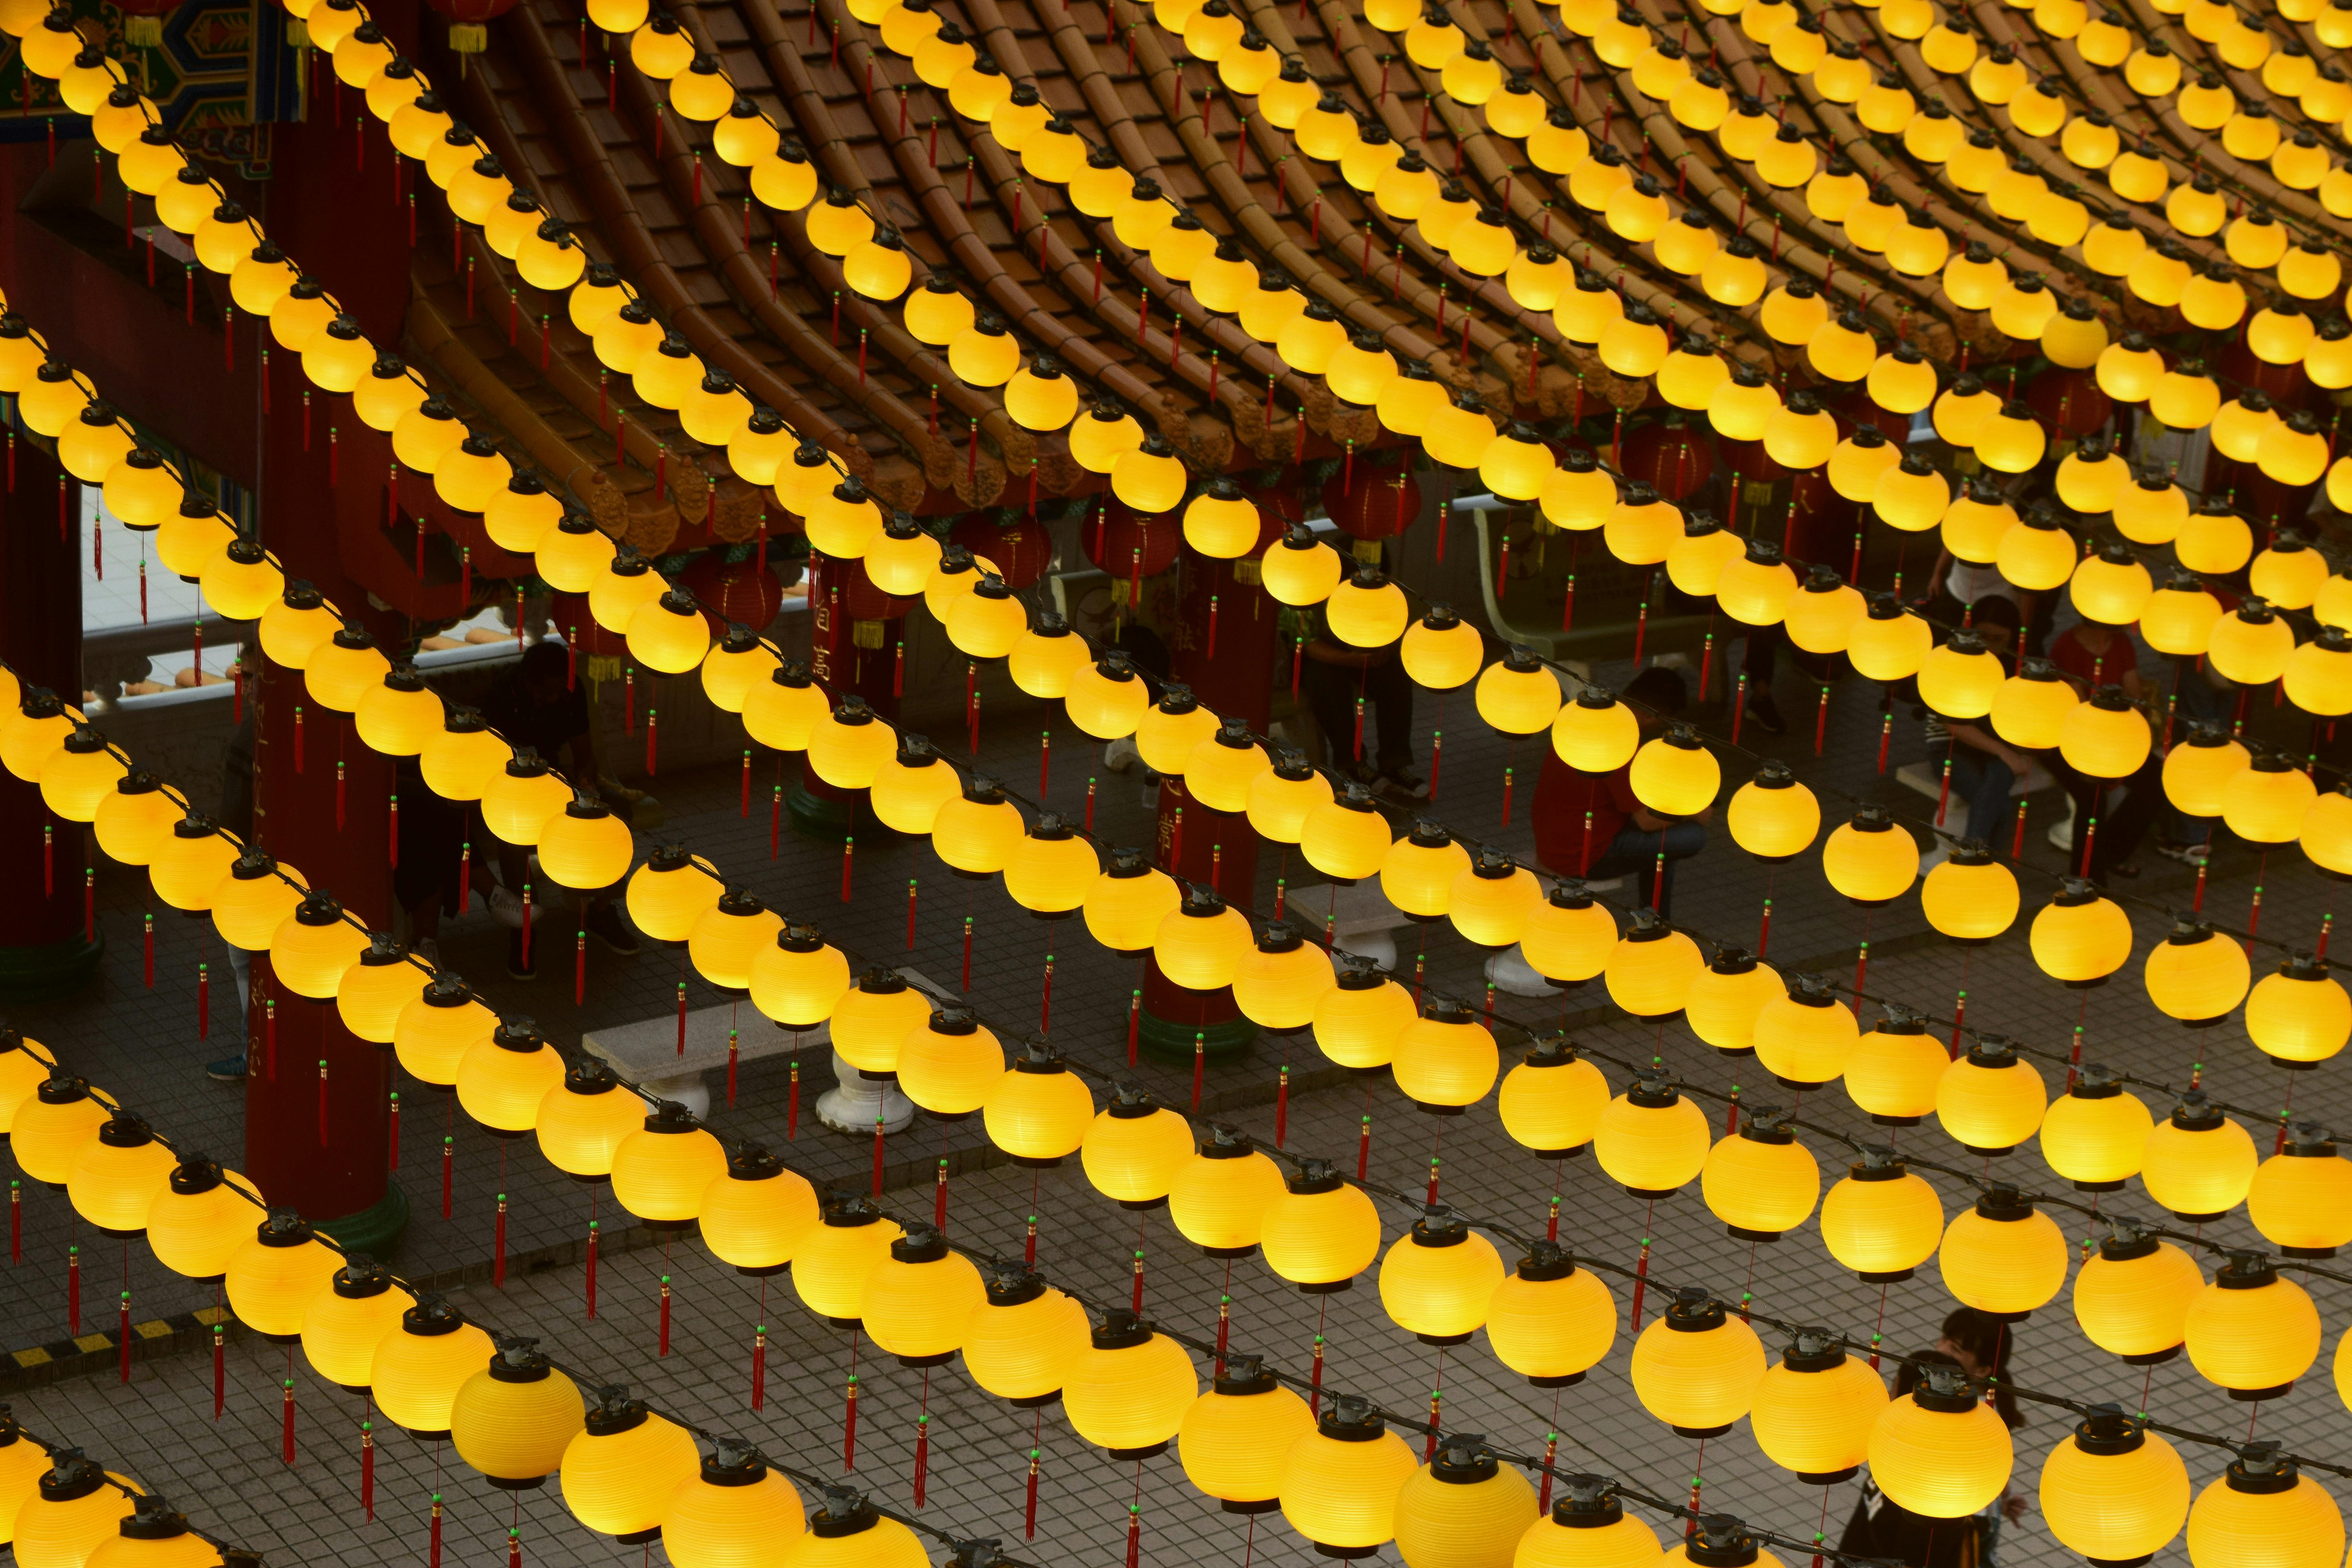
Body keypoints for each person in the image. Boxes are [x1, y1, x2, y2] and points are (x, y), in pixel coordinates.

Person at [476, 641, 640, 976]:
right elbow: (484, 760)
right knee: (514, 841)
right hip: (506, 783)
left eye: (559, 694)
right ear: (529, 683)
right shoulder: (501, 699)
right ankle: (524, 925)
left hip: (552, 777)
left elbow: (584, 748)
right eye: (548, 694)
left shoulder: (569, 690)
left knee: (603, 822)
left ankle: (600, 908)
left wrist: (584, 778)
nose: (555, 700)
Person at [1532, 665, 1710, 916]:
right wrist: (1696, 809)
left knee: (1665, 836)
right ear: (1652, 717)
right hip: (1580, 857)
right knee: (1689, 835)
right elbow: (1647, 821)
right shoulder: (1621, 743)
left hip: (1556, 839)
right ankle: (1657, 918)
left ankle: (1655, 915)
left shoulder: (1591, 719)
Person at [1839, 1351, 1987, 1568]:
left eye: (1893, 1387)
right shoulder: (1904, 1456)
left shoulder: (1926, 1480)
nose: (1888, 1395)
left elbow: (1915, 1557)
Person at [2047, 618, 2160, 881]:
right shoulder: (2069, 646)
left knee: (2156, 779)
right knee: (2091, 796)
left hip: (2114, 735)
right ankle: (2086, 879)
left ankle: (2112, 850)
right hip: (2068, 741)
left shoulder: (2120, 643)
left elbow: (2134, 693)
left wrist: (2124, 736)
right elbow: (2080, 711)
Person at [1919, 597, 2026, 873]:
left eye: (1999, 639)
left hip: (1991, 745)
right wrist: (2004, 751)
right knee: (1998, 805)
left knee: (2000, 779)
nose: (1991, 645)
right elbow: (1953, 725)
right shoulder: (1954, 659)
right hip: (1949, 746)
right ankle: (1979, 863)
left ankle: (1977, 860)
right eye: (1984, 636)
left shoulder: (2016, 666)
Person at [1296, 594, 1428, 803]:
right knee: (1327, 681)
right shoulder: (1301, 584)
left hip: (1356, 644)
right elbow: (1309, 644)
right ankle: (1353, 763)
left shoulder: (1356, 579)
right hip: (1310, 658)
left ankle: (1393, 762)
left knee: (1394, 673)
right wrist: (1352, 660)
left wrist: (1381, 647)